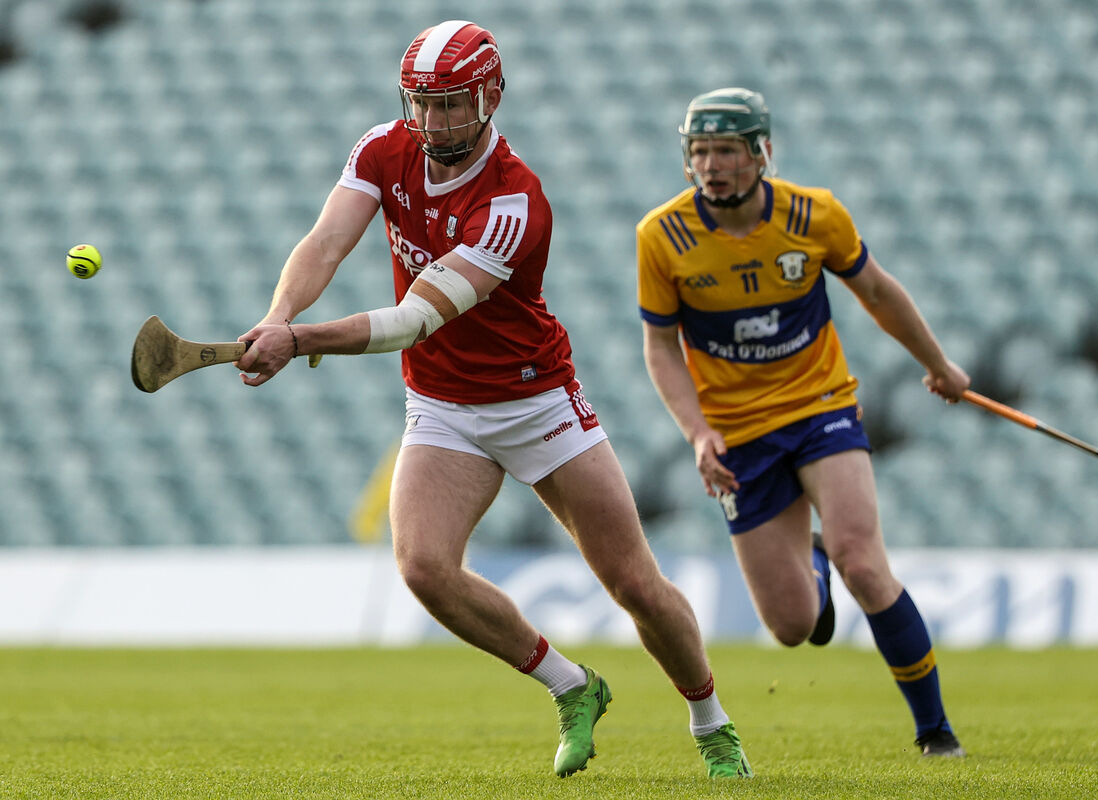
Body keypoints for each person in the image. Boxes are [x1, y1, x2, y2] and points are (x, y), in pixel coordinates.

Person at [234, 22, 751, 778]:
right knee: (422, 567)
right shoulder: (382, 147)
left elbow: (414, 318)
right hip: (442, 406)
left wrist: (303, 341)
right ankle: (572, 687)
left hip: (535, 401)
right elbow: (323, 244)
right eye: (422, 104)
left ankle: (711, 720)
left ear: (490, 95)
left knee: (635, 583)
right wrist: (279, 316)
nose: (434, 123)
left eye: (450, 105)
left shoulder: (515, 202)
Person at [636, 87, 971, 757]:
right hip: (738, 435)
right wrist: (699, 434)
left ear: (762, 152)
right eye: (699, 151)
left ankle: (935, 731)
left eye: (726, 149)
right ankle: (811, 561)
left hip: (820, 408)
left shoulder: (814, 216)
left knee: (865, 565)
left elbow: (876, 291)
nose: (712, 164)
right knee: (791, 626)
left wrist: (938, 364)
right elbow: (660, 349)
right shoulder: (661, 237)